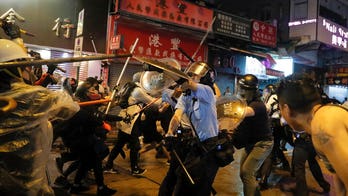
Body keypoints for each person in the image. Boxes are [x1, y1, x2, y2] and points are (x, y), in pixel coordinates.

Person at [0, 38, 80, 195]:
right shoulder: (33, 96)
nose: (28, 69)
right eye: (23, 66)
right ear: (13, 69)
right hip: (27, 182)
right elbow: (70, 108)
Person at [276, 73, 348, 195]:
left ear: (286, 110)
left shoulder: (323, 125)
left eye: (280, 108)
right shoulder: (323, 119)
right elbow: (339, 175)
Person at [165, 61, 220, 196]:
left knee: (202, 186)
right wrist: (170, 133)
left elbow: (187, 83)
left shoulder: (207, 91)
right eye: (189, 75)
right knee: (183, 178)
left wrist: (164, 69)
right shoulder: (186, 95)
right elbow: (177, 116)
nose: (190, 78)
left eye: (194, 76)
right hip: (196, 144)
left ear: (204, 79)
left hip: (210, 145)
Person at [231, 74, 274, 196]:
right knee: (243, 174)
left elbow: (243, 113)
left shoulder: (257, 105)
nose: (241, 91)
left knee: (247, 172)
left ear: (252, 91)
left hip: (263, 144)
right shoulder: (246, 102)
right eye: (240, 88)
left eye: (244, 89)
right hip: (251, 143)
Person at [291, 131, 330, 195]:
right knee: (312, 162)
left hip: (302, 143)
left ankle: (302, 193)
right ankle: (325, 186)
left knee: (299, 168)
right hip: (311, 142)